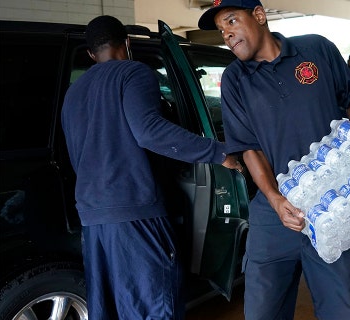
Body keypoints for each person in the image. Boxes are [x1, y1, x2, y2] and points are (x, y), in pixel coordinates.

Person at [198, 1, 350, 319]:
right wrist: (273, 198)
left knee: (341, 309)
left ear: (258, 16)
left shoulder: (316, 49)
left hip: (333, 205)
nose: (227, 34)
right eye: (222, 30)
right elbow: (249, 148)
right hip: (275, 215)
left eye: (232, 21)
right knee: (262, 311)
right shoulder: (235, 80)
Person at [61, 15, 241, 319]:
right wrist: (218, 152)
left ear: (91, 54)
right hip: (136, 213)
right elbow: (150, 132)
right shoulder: (133, 73)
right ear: (127, 44)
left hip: (93, 218)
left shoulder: (73, 92)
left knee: (114, 310)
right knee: (155, 306)